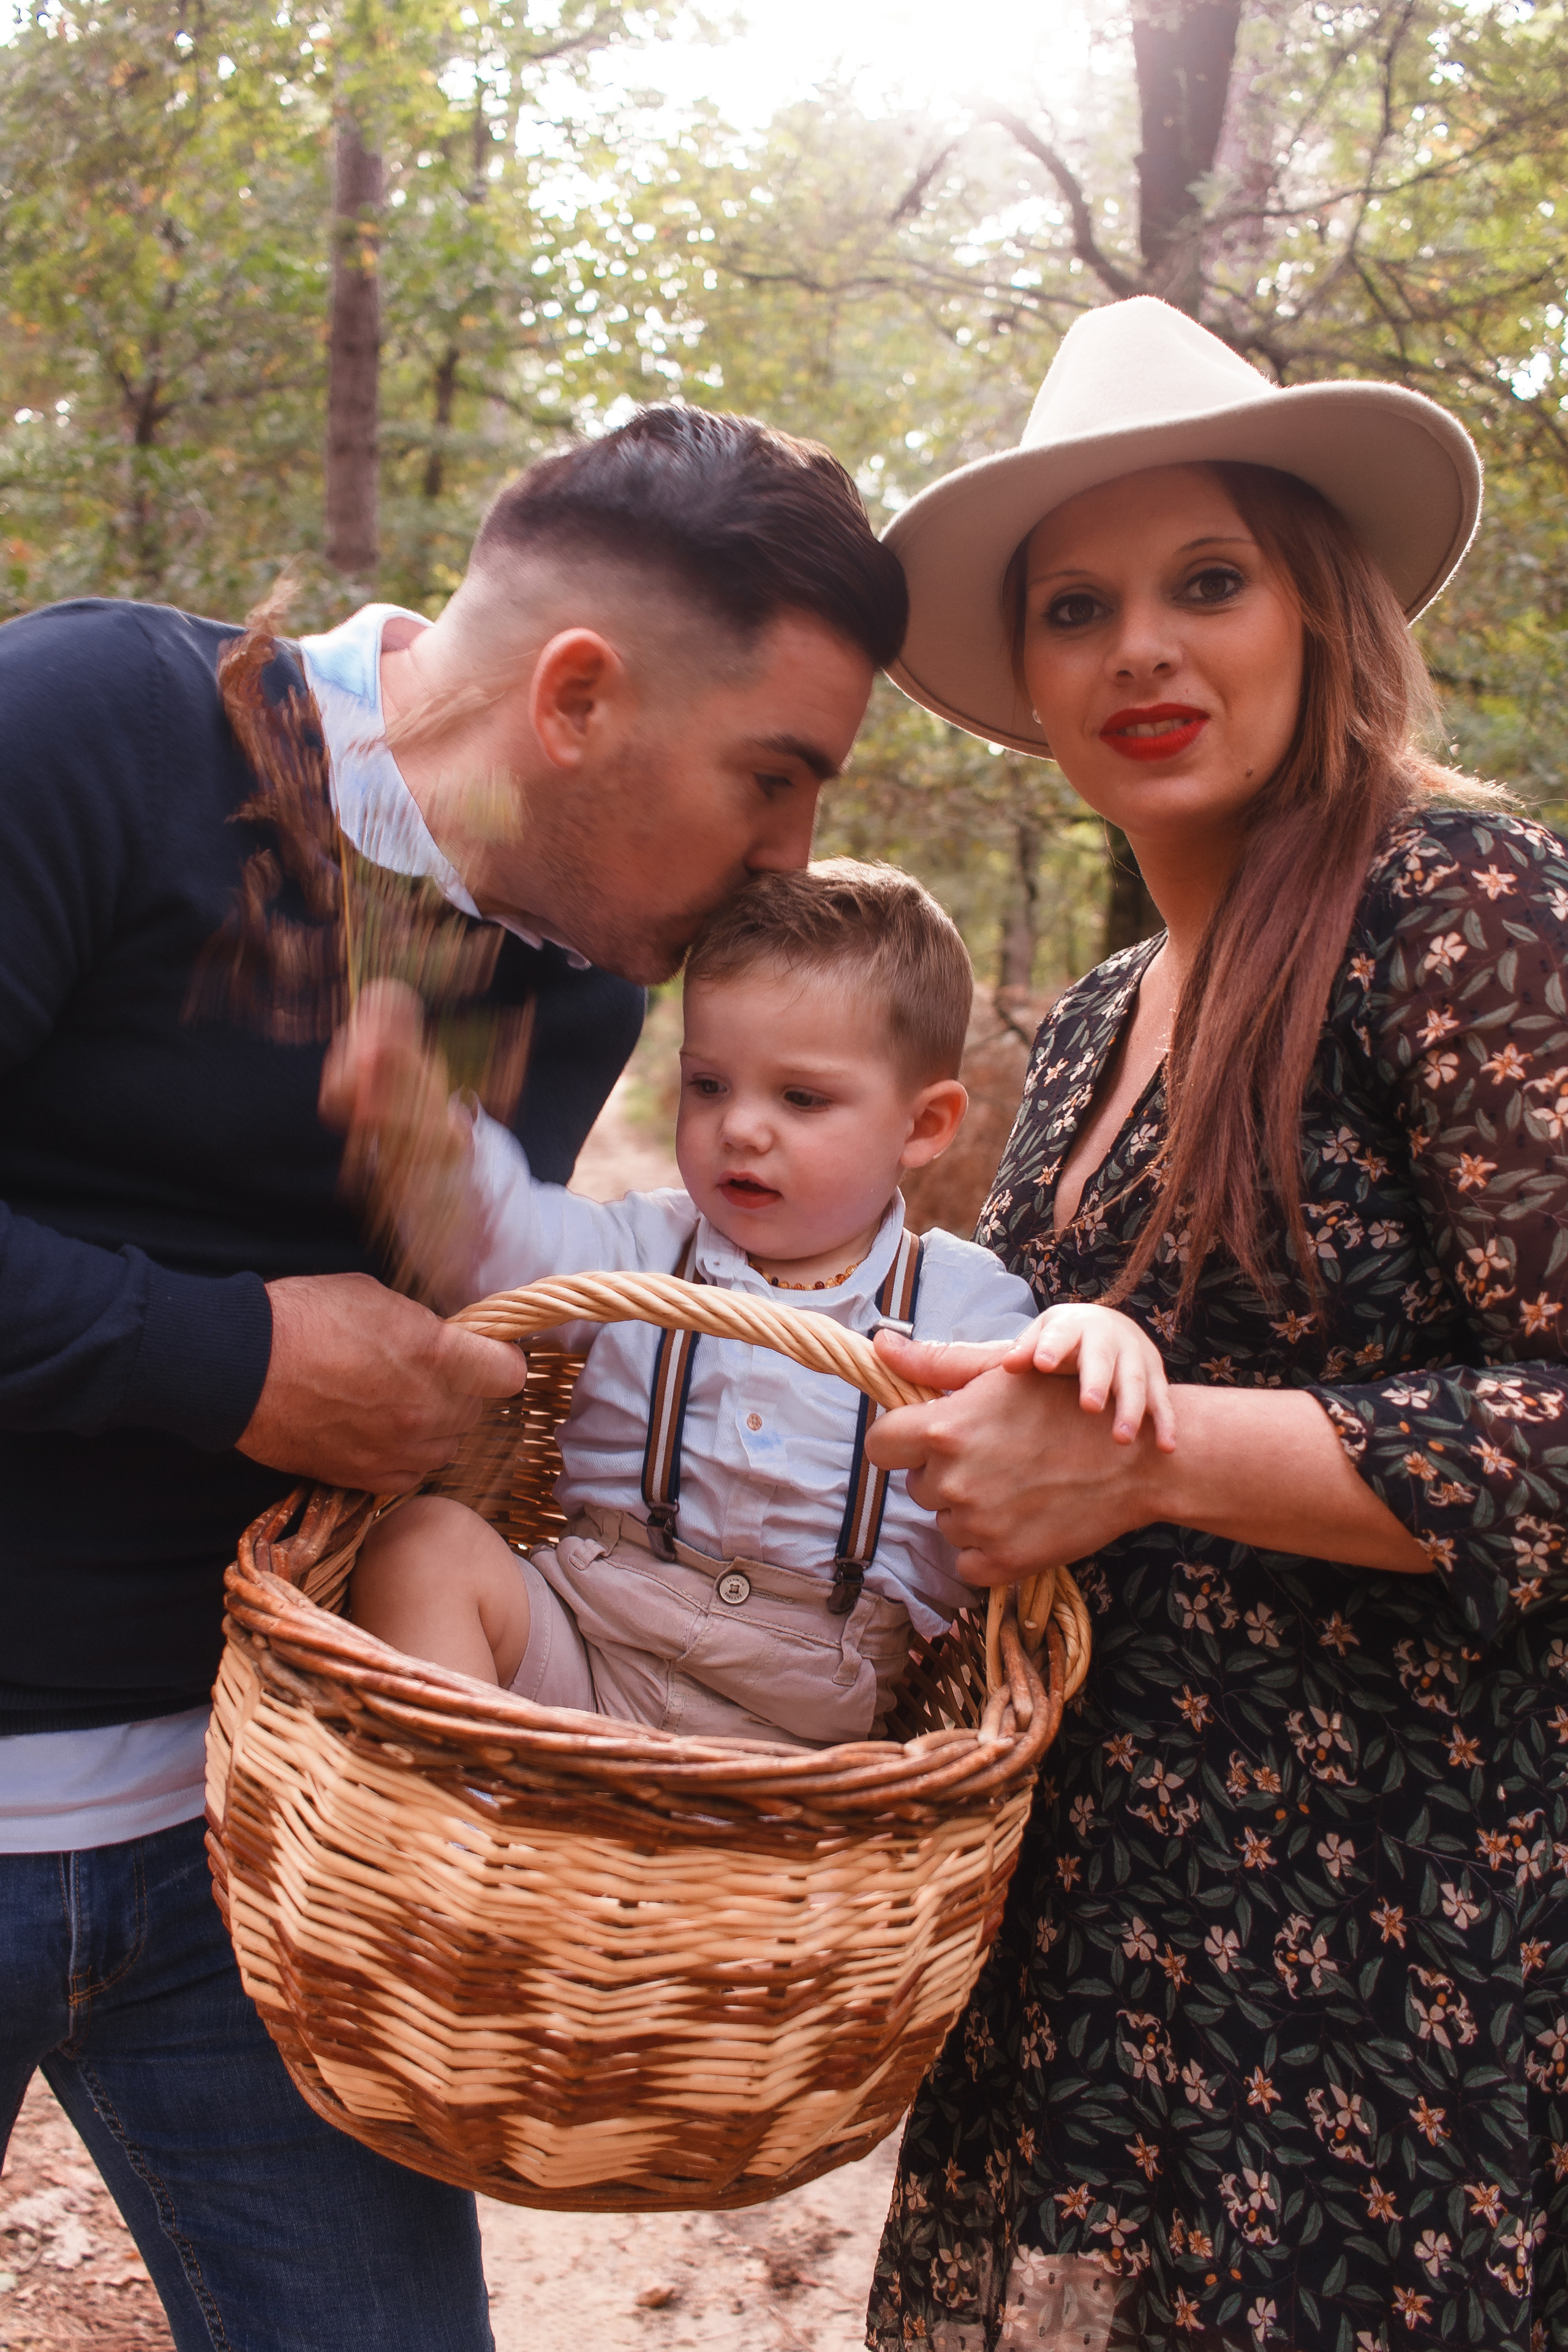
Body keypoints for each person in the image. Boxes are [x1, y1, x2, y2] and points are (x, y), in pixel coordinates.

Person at [0, 405, 904, 2350]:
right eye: (776, 778)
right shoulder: (91, 726)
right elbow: (247, 1356)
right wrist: (233, 1357)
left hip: (269, 1854)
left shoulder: (585, 960)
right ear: (577, 695)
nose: (791, 857)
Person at [860, 298, 1568, 2351]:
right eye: (1077, 607)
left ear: (1317, 607)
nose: (1141, 651)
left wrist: (1158, 1461)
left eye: (1206, 582)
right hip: (1094, 1951)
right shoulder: (1084, 1032)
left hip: (1384, 1991)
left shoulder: (1464, 909)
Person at [332, 862, 1175, 1746]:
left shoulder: (956, 1301)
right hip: (582, 1661)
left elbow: (1022, 1412)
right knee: (421, 1545)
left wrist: (1089, 1335)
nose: (739, 1127)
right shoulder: (650, 1250)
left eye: (800, 1097)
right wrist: (426, 1142)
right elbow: (507, 1248)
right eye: (709, 1086)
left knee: (917, 1793)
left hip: (804, 1738)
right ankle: (470, 1831)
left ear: (924, 1127)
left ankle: (681, 1867)